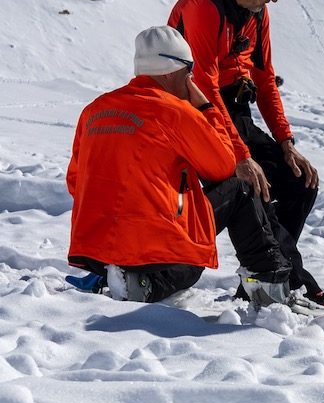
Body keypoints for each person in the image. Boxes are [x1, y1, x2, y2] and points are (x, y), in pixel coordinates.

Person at [168, 0, 324, 310]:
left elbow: (265, 78)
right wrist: (240, 154)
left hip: (234, 112)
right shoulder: (203, 7)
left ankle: (260, 276)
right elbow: (204, 87)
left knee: (298, 181)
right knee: (256, 188)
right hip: (195, 116)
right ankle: (292, 283)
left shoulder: (255, 12)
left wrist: (286, 142)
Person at [67, 26, 292, 306]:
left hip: (94, 253)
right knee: (241, 191)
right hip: (157, 258)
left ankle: (114, 275)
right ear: (174, 70)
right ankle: (271, 292)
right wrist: (206, 108)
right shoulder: (174, 111)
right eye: (190, 70)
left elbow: (75, 182)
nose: (192, 78)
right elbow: (223, 167)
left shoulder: (94, 110)